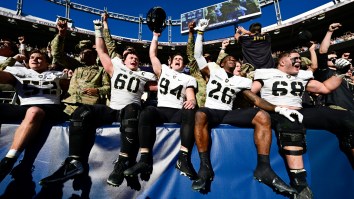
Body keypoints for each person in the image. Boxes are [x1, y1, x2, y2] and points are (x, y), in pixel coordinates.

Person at [39, 19, 157, 191]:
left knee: (132, 108)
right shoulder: (115, 68)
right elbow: (101, 50)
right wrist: (97, 28)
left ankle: (122, 162)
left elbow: (162, 84)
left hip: (130, 112)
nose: (134, 58)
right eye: (131, 56)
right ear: (123, 60)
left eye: (137, 58)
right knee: (82, 111)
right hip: (113, 109)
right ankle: (74, 161)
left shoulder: (144, 76)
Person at [191, 19, 301, 195]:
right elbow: (197, 56)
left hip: (228, 112)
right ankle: (205, 167)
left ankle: (264, 168)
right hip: (212, 110)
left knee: (262, 115)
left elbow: (256, 100)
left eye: (235, 59)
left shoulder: (241, 80)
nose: (233, 60)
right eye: (230, 59)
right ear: (222, 63)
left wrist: (278, 108)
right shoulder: (214, 72)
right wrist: (200, 33)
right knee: (200, 114)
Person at [251, 50, 353, 199]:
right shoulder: (265, 73)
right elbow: (250, 92)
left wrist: (340, 73)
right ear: (282, 61)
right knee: (291, 123)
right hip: (276, 111)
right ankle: (299, 183)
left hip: (300, 110)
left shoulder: (302, 75)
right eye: (295, 58)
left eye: (300, 58)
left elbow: (325, 88)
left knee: (348, 117)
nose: (299, 61)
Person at [123, 30, 198, 181]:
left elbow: (191, 97)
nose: (178, 60)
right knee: (146, 112)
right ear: (170, 61)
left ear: (184, 65)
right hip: (161, 109)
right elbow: (152, 55)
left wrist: (192, 101)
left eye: (181, 59)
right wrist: (155, 37)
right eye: (176, 58)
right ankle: (144, 160)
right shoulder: (163, 70)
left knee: (191, 111)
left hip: (177, 111)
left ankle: (183, 159)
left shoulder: (188, 78)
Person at [0, 49, 70, 183]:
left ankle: (9, 160)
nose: (34, 59)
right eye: (31, 57)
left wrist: (69, 79)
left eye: (39, 58)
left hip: (50, 107)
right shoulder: (19, 72)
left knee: (34, 112)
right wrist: (12, 59)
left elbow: (70, 89)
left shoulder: (57, 74)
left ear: (48, 63)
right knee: (30, 110)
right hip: (25, 106)